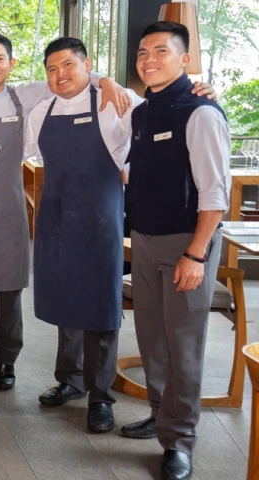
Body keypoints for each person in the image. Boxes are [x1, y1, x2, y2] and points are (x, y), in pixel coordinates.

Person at [24, 37, 216, 435]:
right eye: (52, 69)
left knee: (101, 307)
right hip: (57, 219)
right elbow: (33, 155)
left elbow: (161, 119)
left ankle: (100, 396)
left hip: (100, 220)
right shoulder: (42, 110)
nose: (60, 75)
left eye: (69, 66)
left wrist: (204, 92)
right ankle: (70, 379)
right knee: (65, 299)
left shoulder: (117, 101)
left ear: (87, 65)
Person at [0, 33, 128, 389]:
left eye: (0, 58)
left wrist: (107, 80)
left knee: (9, 298)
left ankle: (7, 363)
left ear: (12, 64)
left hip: (9, 213)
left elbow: (76, 75)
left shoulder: (28, 95)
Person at [121, 21, 230, 480]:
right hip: (144, 243)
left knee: (183, 344)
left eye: (161, 51)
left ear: (184, 59)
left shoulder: (200, 112)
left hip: (187, 244)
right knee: (153, 339)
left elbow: (215, 194)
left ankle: (180, 441)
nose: (149, 59)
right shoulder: (143, 113)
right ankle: (161, 415)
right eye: (143, 52)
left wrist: (197, 254)